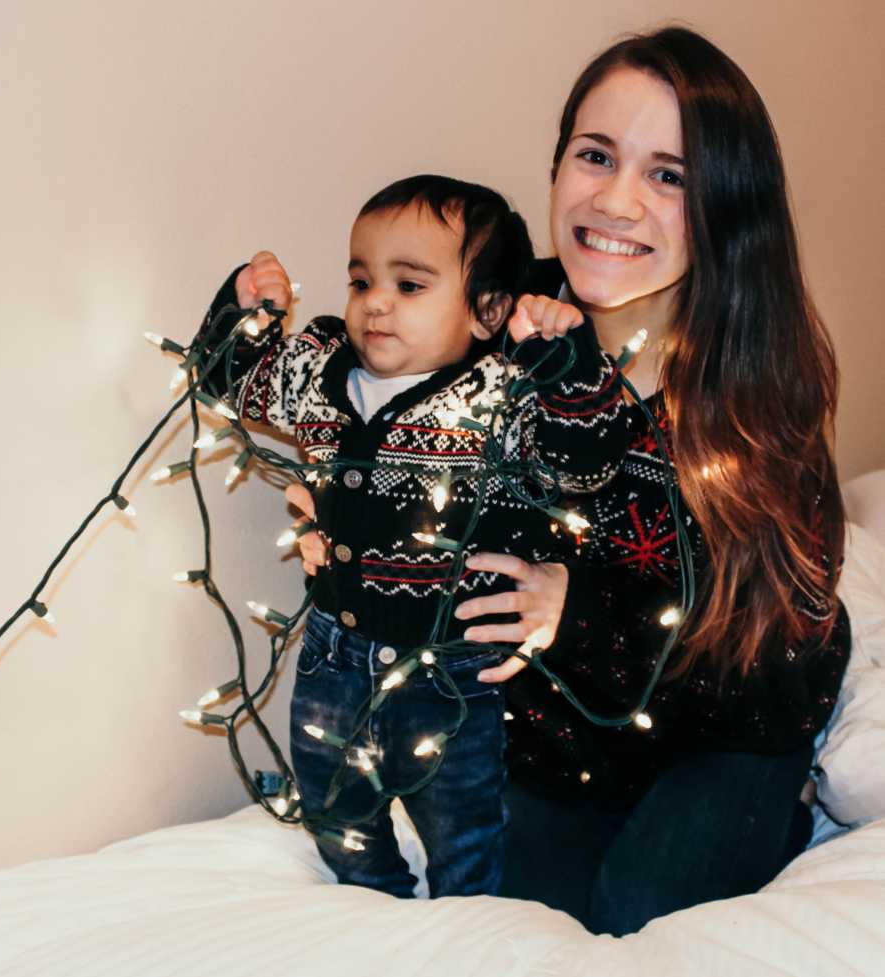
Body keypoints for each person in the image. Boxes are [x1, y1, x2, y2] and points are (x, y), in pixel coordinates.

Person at [292, 27, 852, 935]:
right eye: (596, 155)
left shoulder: (757, 392)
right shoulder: (491, 328)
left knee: (645, 913)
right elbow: (364, 377)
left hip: (724, 731)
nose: (617, 200)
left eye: (669, 174)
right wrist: (342, 492)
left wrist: (576, 607)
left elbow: (787, 669)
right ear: (557, 167)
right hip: (552, 748)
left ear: (724, 205)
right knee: (519, 928)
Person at [195, 174, 631, 900]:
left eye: (411, 284)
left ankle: (467, 929)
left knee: (465, 829)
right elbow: (226, 378)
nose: (376, 302)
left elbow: (587, 459)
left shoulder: (500, 393)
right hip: (335, 656)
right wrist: (245, 311)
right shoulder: (321, 372)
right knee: (333, 803)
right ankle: (382, 905)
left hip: (453, 674)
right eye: (361, 279)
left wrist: (566, 361)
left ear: (488, 309)